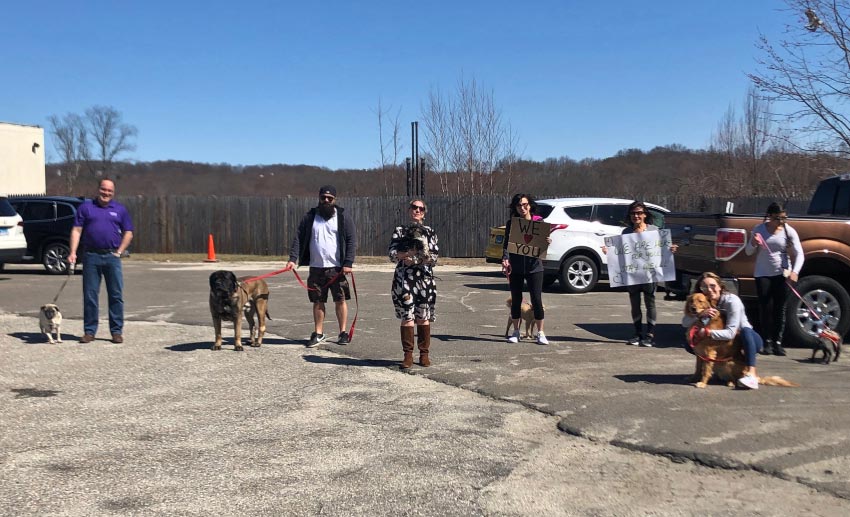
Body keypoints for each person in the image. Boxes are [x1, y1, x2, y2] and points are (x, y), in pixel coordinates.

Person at [285, 185, 356, 347]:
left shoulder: (343, 216)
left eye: (329, 198)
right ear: (319, 198)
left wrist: (348, 262)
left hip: (337, 268)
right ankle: (318, 333)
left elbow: (352, 240)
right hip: (316, 268)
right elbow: (298, 238)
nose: (326, 200)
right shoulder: (310, 217)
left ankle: (343, 332)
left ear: (334, 200)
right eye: (323, 197)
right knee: (318, 301)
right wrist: (292, 259)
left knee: (340, 299)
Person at [68, 178, 134, 344]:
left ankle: (116, 331)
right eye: (104, 190)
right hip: (91, 256)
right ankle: (89, 331)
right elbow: (76, 230)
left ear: (113, 192)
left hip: (112, 257)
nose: (106, 193)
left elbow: (129, 232)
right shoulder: (86, 208)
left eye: (110, 191)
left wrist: (119, 251)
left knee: (116, 295)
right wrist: (73, 252)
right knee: (90, 295)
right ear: (98, 189)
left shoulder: (120, 210)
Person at [602, 201, 677, 347]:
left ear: (645, 215)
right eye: (633, 213)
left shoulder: (654, 230)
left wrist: (671, 249)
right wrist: (609, 252)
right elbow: (621, 254)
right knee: (635, 303)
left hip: (650, 274)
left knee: (650, 302)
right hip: (633, 274)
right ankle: (637, 333)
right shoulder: (626, 233)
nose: (636, 216)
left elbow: (663, 249)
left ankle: (650, 334)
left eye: (639, 213)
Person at [682, 272, 763, 390]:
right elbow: (685, 322)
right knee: (692, 343)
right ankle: (701, 375)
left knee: (745, 331)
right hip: (726, 342)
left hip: (747, 340)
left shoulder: (732, 301)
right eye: (704, 287)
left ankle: (751, 373)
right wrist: (700, 314)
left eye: (712, 286)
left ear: (720, 286)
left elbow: (730, 333)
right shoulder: (703, 301)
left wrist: (707, 333)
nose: (709, 289)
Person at [744, 202, 804, 356]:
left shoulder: (788, 231)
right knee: (766, 308)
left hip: (782, 273)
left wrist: (795, 272)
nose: (782, 222)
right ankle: (767, 341)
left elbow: (799, 253)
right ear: (769, 216)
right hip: (763, 273)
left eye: (785, 218)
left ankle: (778, 342)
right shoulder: (759, 230)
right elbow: (749, 251)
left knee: (780, 308)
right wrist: (753, 243)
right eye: (778, 218)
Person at [388, 199, 439, 369]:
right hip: (405, 279)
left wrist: (418, 257)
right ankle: (408, 355)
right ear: (409, 210)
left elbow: (434, 258)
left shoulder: (430, 232)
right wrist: (407, 254)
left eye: (420, 208)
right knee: (407, 318)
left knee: (423, 318)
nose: (417, 210)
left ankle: (424, 354)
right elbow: (392, 254)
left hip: (424, 279)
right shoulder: (400, 231)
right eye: (414, 207)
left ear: (424, 212)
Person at [501, 193, 551, 345]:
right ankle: (516, 332)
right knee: (516, 300)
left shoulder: (538, 222)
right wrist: (505, 258)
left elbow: (542, 243)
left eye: (525, 204)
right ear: (515, 208)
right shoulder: (512, 224)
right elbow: (507, 243)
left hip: (534, 267)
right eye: (519, 205)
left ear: (530, 205)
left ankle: (541, 333)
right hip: (515, 267)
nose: (522, 208)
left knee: (536, 300)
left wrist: (547, 241)